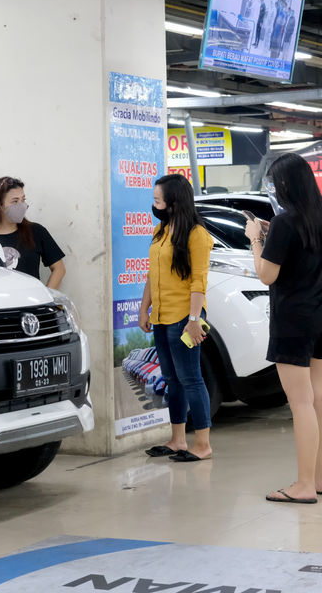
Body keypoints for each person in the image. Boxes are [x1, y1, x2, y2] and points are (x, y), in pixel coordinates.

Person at [245, 154, 322, 504]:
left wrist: (256, 239)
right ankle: (318, 478)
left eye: (274, 183)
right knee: (318, 397)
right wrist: (272, 238)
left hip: (293, 321)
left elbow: (267, 274)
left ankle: (302, 486)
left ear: (284, 185)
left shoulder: (285, 223)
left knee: (300, 403)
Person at [138, 174, 215, 463]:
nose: (154, 205)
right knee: (171, 379)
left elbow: (199, 282)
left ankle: (203, 443)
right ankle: (178, 439)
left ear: (173, 202)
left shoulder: (197, 235)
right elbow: (152, 274)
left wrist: (194, 319)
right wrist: (144, 308)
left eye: (158, 200)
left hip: (185, 316)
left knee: (191, 378)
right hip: (161, 315)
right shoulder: (162, 231)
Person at [0, 176, 65, 289]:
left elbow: (59, 269)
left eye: (23, 200)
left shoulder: (36, 232)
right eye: (15, 201)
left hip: (29, 303)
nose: (22, 205)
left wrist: (47, 297)